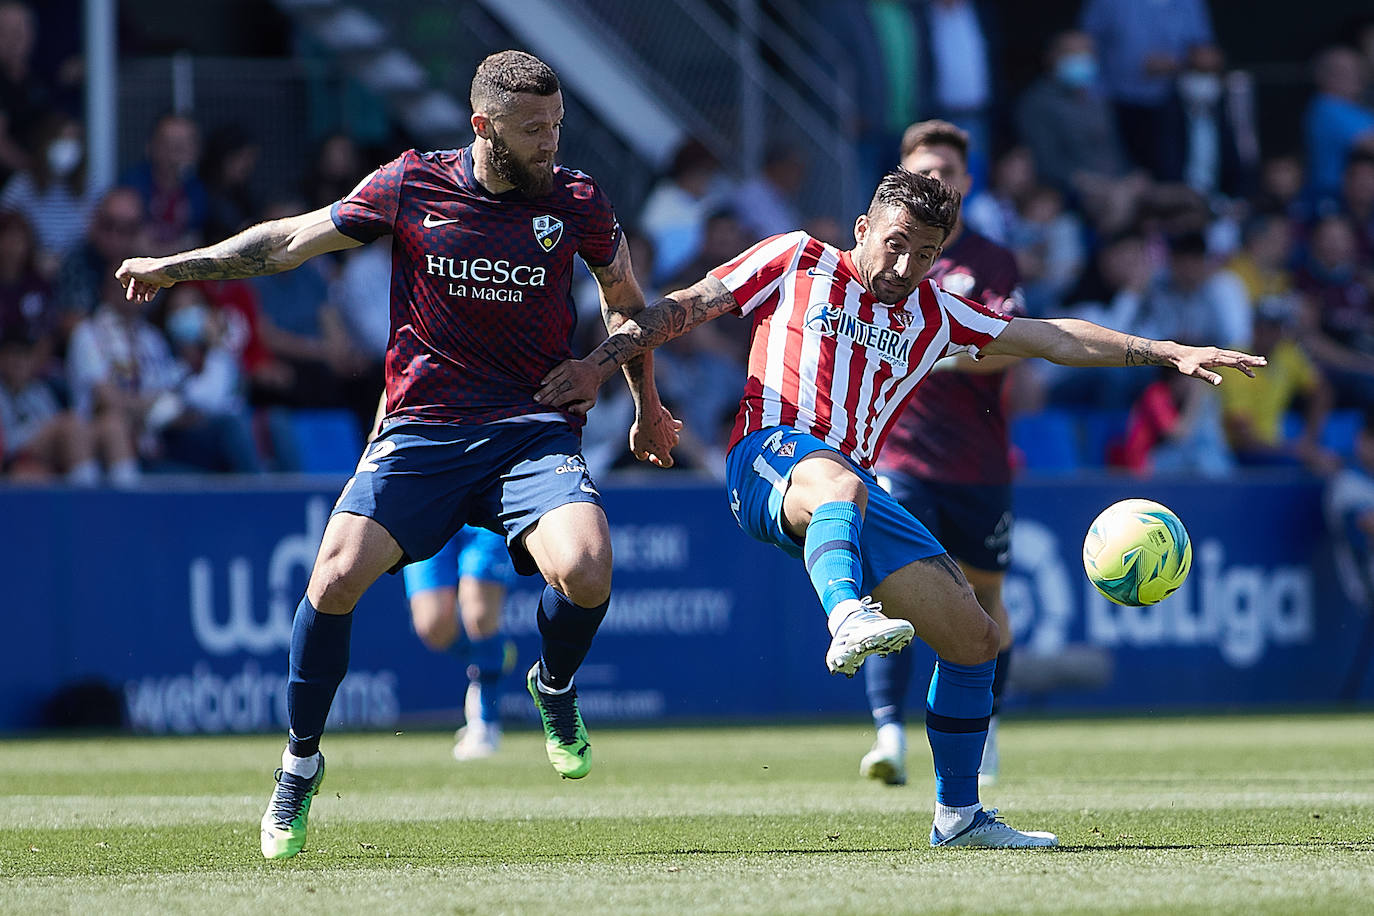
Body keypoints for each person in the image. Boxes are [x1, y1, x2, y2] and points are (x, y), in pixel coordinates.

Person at [538, 167, 1265, 848]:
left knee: (976, 640)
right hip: (766, 459)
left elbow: (1051, 337)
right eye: (894, 245)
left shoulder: (935, 314)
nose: (904, 266)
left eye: (924, 253)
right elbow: (681, 309)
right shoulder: (795, 259)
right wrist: (611, 377)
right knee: (839, 484)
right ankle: (845, 613)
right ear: (861, 228)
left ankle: (960, 816)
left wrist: (1166, 351)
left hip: (848, 489)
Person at [116, 50, 679, 860]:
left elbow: (630, 306)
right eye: (533, 129)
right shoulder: (413, 183)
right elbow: (287, 241)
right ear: (485, 127)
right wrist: (182, 268)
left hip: (529, 428)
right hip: (422, 430)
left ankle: (552, 685)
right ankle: (299, 763)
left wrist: (634, 396)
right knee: (335, 577)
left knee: (589, 567)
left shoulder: (577, 199)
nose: (551, 142)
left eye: (557, 125)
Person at [852, 120, 1023, 791]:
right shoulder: (882, 255)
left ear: (968, 183)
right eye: (924, 174)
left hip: (979, 461)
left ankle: (986, 726)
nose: (936, 185)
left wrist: (932, 349)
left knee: (983, 599)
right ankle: (888, 734)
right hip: (901, 455)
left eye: (947, 174)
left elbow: (1004, 344)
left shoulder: (992, 258)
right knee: (895, 592)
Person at [402, 526, 519, 760]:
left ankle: (485, 724)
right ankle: (495, 656)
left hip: (483, 511)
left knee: (479, 616)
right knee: (432, 625)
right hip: (428, 508)